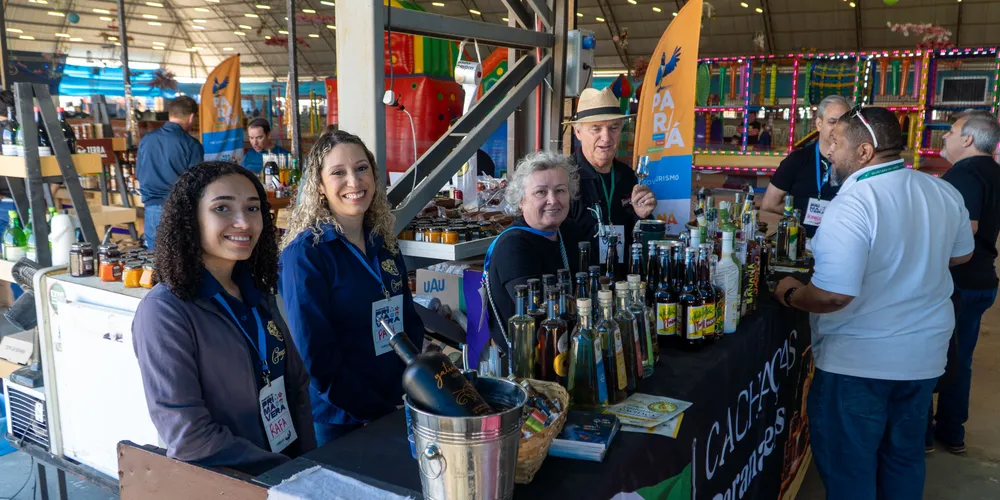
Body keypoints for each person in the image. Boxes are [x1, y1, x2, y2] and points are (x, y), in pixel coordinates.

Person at [774, 106, 974, 499]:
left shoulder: (853, 204)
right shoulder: (940, 190)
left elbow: (833, 295)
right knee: (903, 458)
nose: (829, 152)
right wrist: (916, 256)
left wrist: (791, 293)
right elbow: (962, 254)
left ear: (864, 152)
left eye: (836, 143)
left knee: (850, 471)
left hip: (859, 364)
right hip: (923, 359)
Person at [132, 161, 315, 475]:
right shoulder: (164, 311)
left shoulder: (256, 291)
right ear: (191, 219)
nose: (243, 222)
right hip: (232, 482)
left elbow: (296, 387)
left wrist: (309, 465)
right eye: (222, 208)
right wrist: (282, 471)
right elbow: (189, 438)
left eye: (253, 208)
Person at [279, 130, 424, 446]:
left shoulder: (383, 242)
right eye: (338, 173)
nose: (354, 181)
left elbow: (408, 320)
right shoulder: (306, 254)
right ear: (319, 185)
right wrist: (373, 410)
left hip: (396, 402)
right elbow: (317, 358)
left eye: (361, 168)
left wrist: (415, 385)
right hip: (342, 419)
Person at [928, 110, 1000, 455]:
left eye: (952, 131)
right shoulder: (993, 171)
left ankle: (924, 434)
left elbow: (967, 229)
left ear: (968, 139)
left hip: (960, 281)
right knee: (960, 357)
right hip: (982, 278)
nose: (945, 135)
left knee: (935, 355)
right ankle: (951, 430)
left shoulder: (966, 173)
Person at [484, 151, 587, 363]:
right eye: (541, 192)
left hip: (564, 352)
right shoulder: (513, 245)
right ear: (521, 201)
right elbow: (540, 315)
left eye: (560, 190)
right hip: (523, 363)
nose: (553, 200)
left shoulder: (568, 231)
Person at [566, 87, 656, 262]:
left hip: (623, 275)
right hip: (581, 275)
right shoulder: (564, 178)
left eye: (613, 127)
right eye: (596, 128)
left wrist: (643, 217)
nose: (606, 138)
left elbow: (640, 242)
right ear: (578, 132)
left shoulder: (629, 177)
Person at [762, 95, 851, 237]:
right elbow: (769, 203)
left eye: (843, 123)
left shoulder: (855, 164)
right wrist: (803, 214)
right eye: (832, 122)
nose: (838, 128)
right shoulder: (797, 160)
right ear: (819, 124)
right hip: (800, 241)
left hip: (839, 240)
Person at [136, 96, 204, 249]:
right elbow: (196, 183)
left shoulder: (146, 140)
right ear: (191, 117)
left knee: (156, 259)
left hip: (152, 210)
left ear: (171, 114)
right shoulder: (191, 144)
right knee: (181, 259)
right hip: (179, 211)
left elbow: (139, 173)